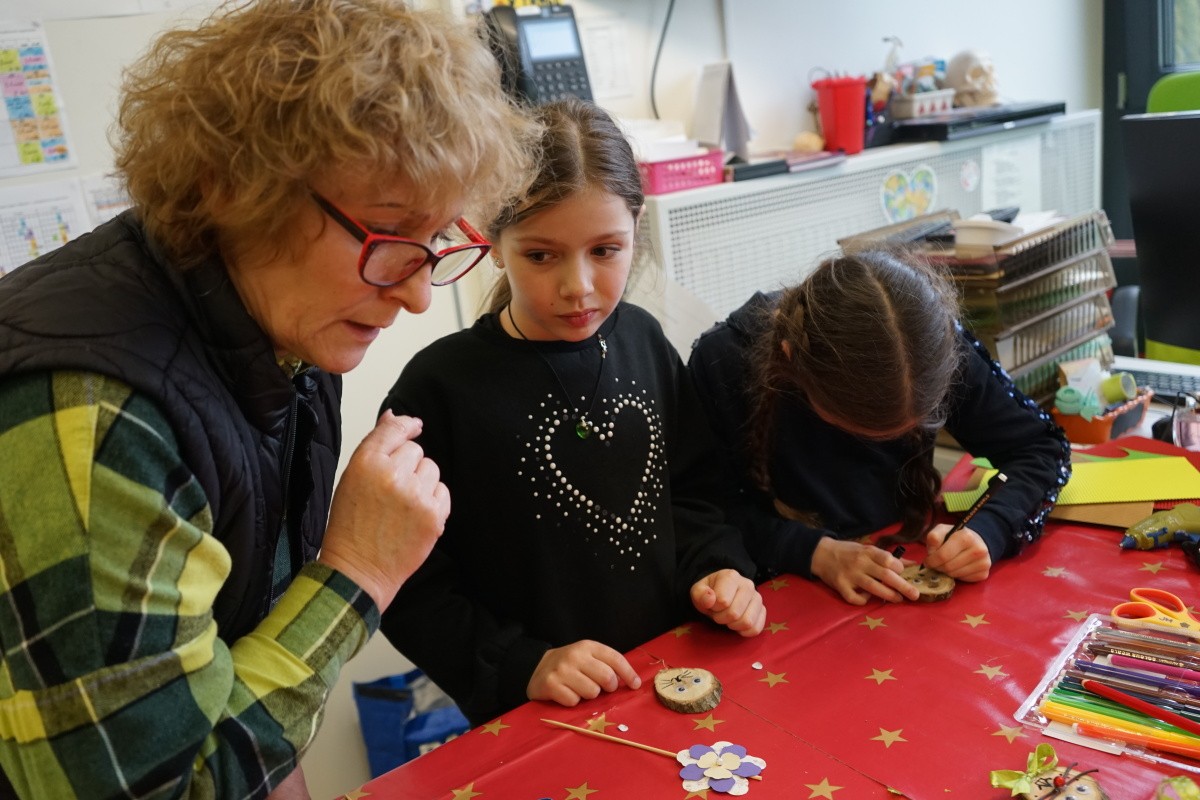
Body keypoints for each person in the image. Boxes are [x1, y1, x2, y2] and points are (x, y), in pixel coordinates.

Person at [0, 1, 538, 797]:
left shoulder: (288, 331)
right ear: (235, 186)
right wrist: (356, 573)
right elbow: (162, 788)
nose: (419, 294)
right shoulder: (97, 417)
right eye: (387, 235)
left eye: (435, 242)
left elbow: (234, 649)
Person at [377, 98, 766, 727]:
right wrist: (522, 663)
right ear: (493, 242)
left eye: (605, 250)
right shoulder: (438, 389)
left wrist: (719, 571)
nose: (578, 286)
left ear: (635, 226)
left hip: (678, 672)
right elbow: (404, 582)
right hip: (545, 712)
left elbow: (695, 492)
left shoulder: (644, 340)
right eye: (541, 255)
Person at [688, 250, 1072, 606]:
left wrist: (991, 528)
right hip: (777, 590)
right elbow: (702, 511)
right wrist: (815, 552)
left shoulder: (931, 341)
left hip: (902, 548)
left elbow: (1041, 448)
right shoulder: (724, 361)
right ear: (792, 363)